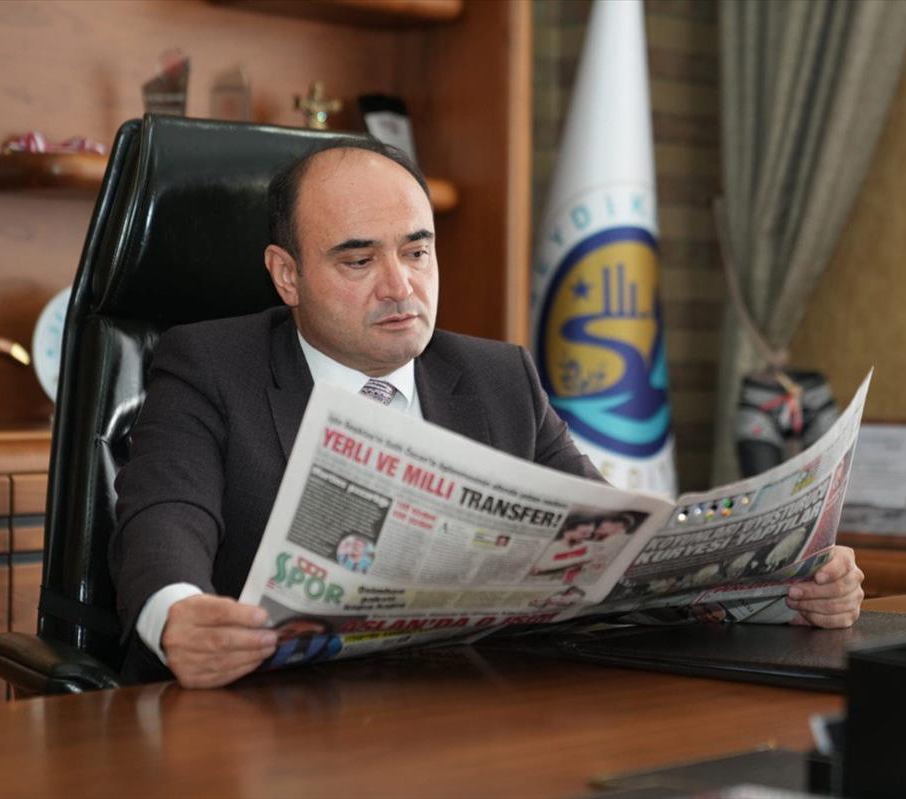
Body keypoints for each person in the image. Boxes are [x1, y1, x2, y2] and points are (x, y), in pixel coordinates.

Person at [111, 138, 865, 689]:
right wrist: (178, 615)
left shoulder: (499, 378)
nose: (399, 286)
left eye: (417, 251)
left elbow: (617, 554)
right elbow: (164, 515)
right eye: (358, 260)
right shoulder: (210, 366)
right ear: (287, 275)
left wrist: (777, 591)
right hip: (278, 716)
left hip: (468, 710)